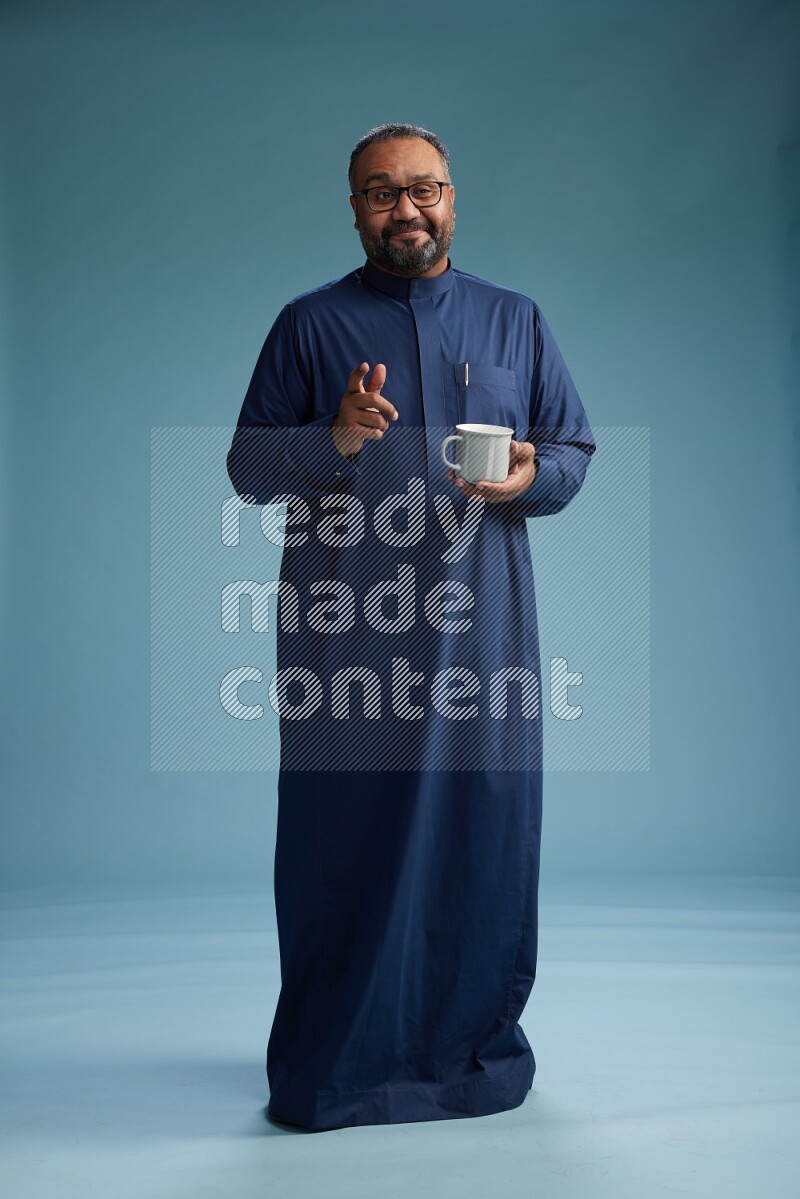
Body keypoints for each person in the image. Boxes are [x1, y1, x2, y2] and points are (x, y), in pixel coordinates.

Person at [226, 123, 595, 1131]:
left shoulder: (513, 320)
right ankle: (336, 1059)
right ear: (352, 208)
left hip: (483, 639)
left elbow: (569, 447)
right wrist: (331, 436)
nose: (406, 209)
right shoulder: (308, 325)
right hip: (346, 633)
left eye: (423, 188)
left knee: (483, 835)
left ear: (451, 197)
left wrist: (532, 475)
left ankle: (466, 1051)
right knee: (340, 839)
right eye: (381, 192)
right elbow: (248, 468)